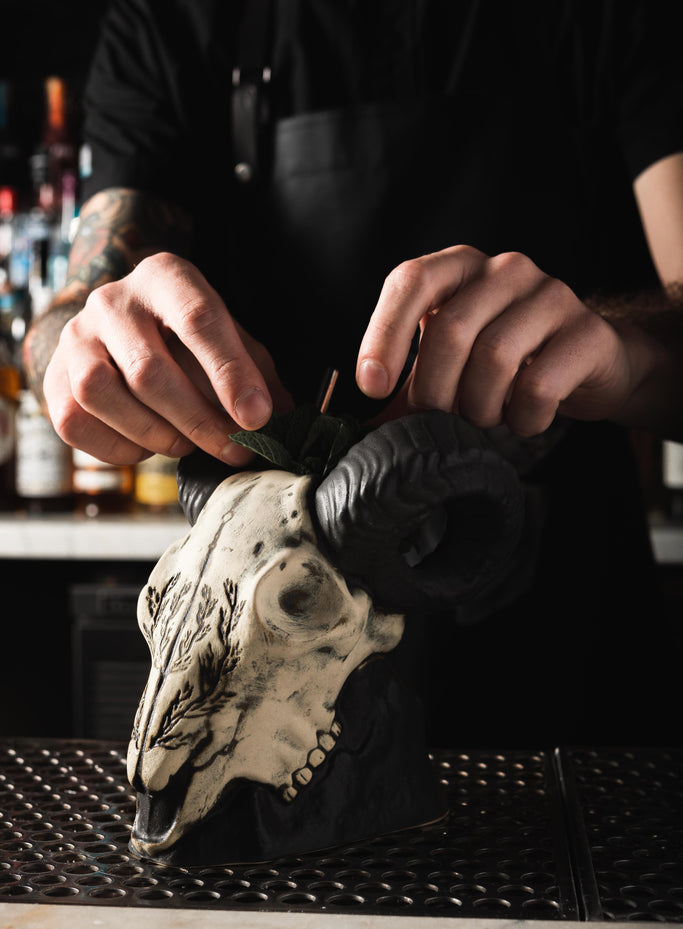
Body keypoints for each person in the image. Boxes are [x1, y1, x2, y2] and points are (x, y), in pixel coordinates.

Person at [23, 0, 683, 747]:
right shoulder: (171, 22)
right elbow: (72, 309)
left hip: (570, 627)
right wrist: (76, 347)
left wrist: (628, 356)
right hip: (272, 645)